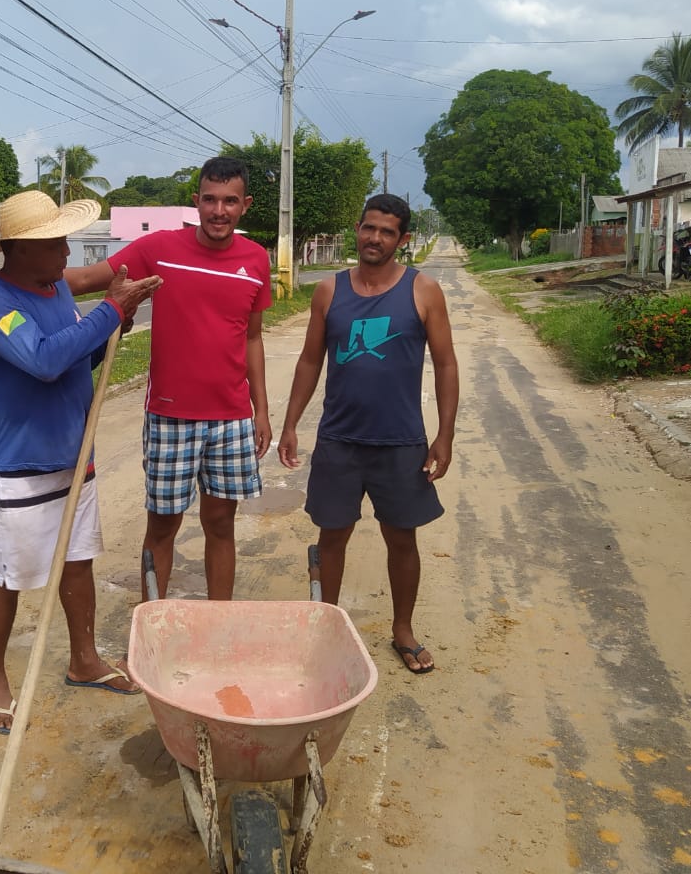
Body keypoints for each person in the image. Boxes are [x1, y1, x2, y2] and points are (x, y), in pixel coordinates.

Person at [0, 190, 162, 735]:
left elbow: (78, 351)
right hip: (22, 464)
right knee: (7, 576)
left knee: (78, 562)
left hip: (75, 457)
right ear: (19, 250)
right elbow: (44, 361)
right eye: (54, 242)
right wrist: (109, 310)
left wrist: (117, 323)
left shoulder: (53, 290)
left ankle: (84, 659)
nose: (66, 250)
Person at [66, 155, 272, 601]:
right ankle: (152, 627)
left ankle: (218, 622)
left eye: (230, 201)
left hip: (232, 417)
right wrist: (16, 279)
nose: (219, 211)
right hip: (170, 416)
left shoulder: (256, 259)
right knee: (162, 526)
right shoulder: (158, 249)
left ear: (245, 204)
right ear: (196, 201)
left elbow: (252, 339)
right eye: (211, 200)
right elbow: (83, 278)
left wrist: (262, 411)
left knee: (221, 525)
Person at [277, 193, 458, 675]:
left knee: (402, 540)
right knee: (332, 535)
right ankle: (327, 627)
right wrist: (292, 422)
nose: (375, 238)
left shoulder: (423, 291)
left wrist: (445, 435)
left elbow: (445, 363)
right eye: (368, 228)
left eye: (387, 231)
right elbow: (311, 359)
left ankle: (403, 630)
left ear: (403, 239)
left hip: (401, 442)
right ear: (357, 229)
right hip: (339, 440)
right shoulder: (329, 291)